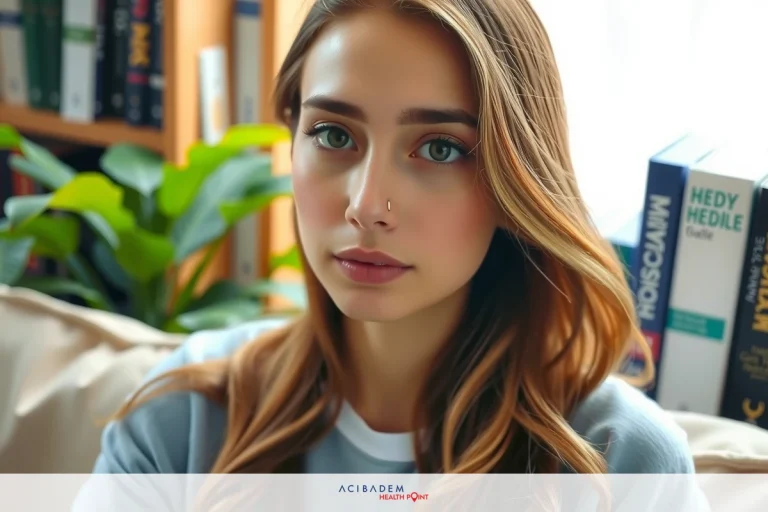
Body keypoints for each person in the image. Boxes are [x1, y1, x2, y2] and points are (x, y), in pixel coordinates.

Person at [92, 0, 694, 476]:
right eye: (333, 135)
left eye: (440, 148)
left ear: (517, 179)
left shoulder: (621, 462)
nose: (365, 206)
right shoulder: (184, 420)